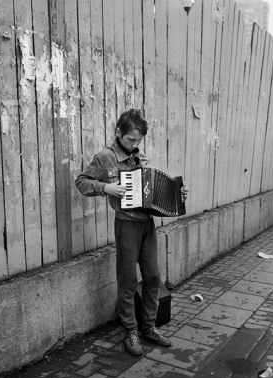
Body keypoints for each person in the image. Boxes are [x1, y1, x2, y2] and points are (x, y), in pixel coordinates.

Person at [75, 109, 188, 356]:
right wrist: (106, 187)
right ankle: (130, 330)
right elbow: (81, 182)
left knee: (153, 277)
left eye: (138, 141)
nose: (135, 145)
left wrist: (176, 195)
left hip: (147, 224)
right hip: (126, 224)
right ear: (118, 133)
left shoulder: (139, 155)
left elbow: (152, 191)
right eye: (131, 140)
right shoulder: (105, 157)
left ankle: (149, 326)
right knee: (127, 280)